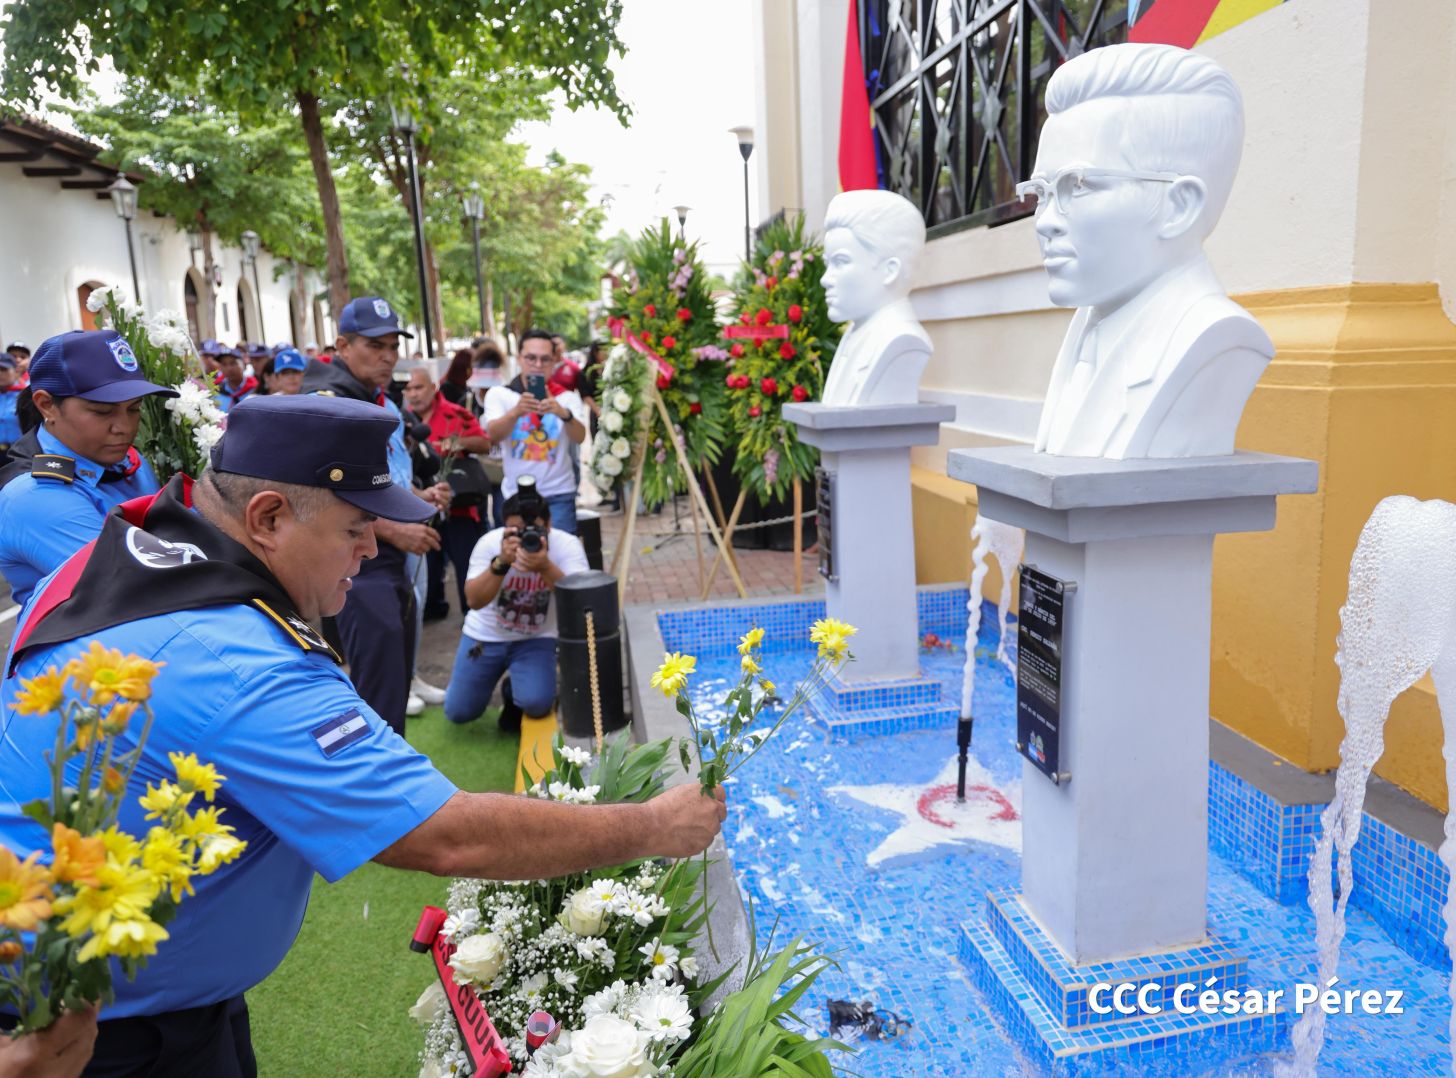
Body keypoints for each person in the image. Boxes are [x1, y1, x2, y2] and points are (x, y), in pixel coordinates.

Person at [0, 394, 725, 1076]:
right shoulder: (239, 661)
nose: (372, 553)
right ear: (269, 517)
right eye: (355, 529)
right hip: (95, 1042)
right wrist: (656, 825)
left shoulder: (120, 552)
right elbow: (448, 838)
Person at [1025, 43, 1271, 460]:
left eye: (1077, 186)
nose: (1044, 221)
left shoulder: (1215, 338)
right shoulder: (1088, 324)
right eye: (1041, 192)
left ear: (1179, 206)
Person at [302, 297, 449, 732]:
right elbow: (322, 488)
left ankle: (391, 779)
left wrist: (416, 497)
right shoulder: (328, 399)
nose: (388, 356)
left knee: (394, 677)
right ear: (343, 345)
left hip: (378, 556)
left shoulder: (370, 395)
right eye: (375, 345)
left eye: (392, 345)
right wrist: (395, 529)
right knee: (380, 694)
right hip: (353, 560)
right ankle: (379, 788)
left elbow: (369, 480)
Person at [0, 329, 169, 608]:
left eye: (134, 408)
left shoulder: (127, 461)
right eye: (103, 411)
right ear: (47, 405)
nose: (124, 427)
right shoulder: (34, 495)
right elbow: (137, 588)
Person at [445, 479, 589, 732]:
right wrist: (501, 562)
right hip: (485, 636)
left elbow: (579, 601)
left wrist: (545, 567)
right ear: (504, 528)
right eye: (516, 531)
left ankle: (515, 691)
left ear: (549, 524)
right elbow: (473, 601)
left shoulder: (566, 546)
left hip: (537, 638)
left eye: (534, 530)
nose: (526, 537)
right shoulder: (490, 544)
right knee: (458, 711)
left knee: (537, 702)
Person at [403, 364, 491, 620]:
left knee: (467, 564)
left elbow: (485, 443)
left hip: (459, 507)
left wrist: (455, 443)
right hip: (421, 509)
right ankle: (433, 608)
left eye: (418, 387)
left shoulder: (456, 414)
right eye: (408, 389)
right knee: (428, 569)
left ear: (433, 388)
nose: (413, 394)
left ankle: (473, 615)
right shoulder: (402, 420)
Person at [484, 329, 587, 534]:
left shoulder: (566, 398)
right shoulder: (500, 394)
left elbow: (580, 437)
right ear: (519, 358)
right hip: (516, 495)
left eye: (545, 359)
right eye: (531, 358)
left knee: (560, 556)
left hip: (559, 494)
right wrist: (516, 412)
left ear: (554, 362)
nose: (538, 365)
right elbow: (493, 436)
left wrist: (562, 413)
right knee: (517, 559)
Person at [214, 347, 258, 412]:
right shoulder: (217, 392)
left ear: (243, 364)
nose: (229, 368)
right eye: (224, 364)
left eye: (233, 363)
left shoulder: (255, 390)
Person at [0, 353, 23, 451]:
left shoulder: (26, 396)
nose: (0, 374)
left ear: (16, 371)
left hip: (19, 452)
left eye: (4, 369)